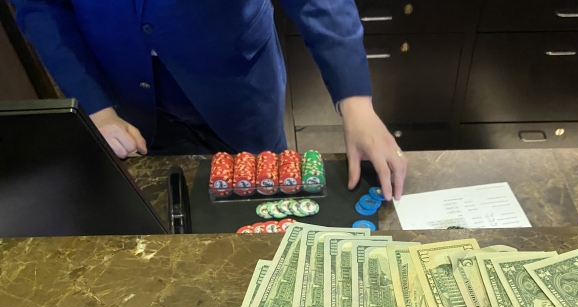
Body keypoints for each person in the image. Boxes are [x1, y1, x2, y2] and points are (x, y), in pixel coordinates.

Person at [10, 0, 407, 200]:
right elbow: (40, 7)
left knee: (264, 207)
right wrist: (94, 105)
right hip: (125, 100)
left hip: (239, 83)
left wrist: (357, 104)